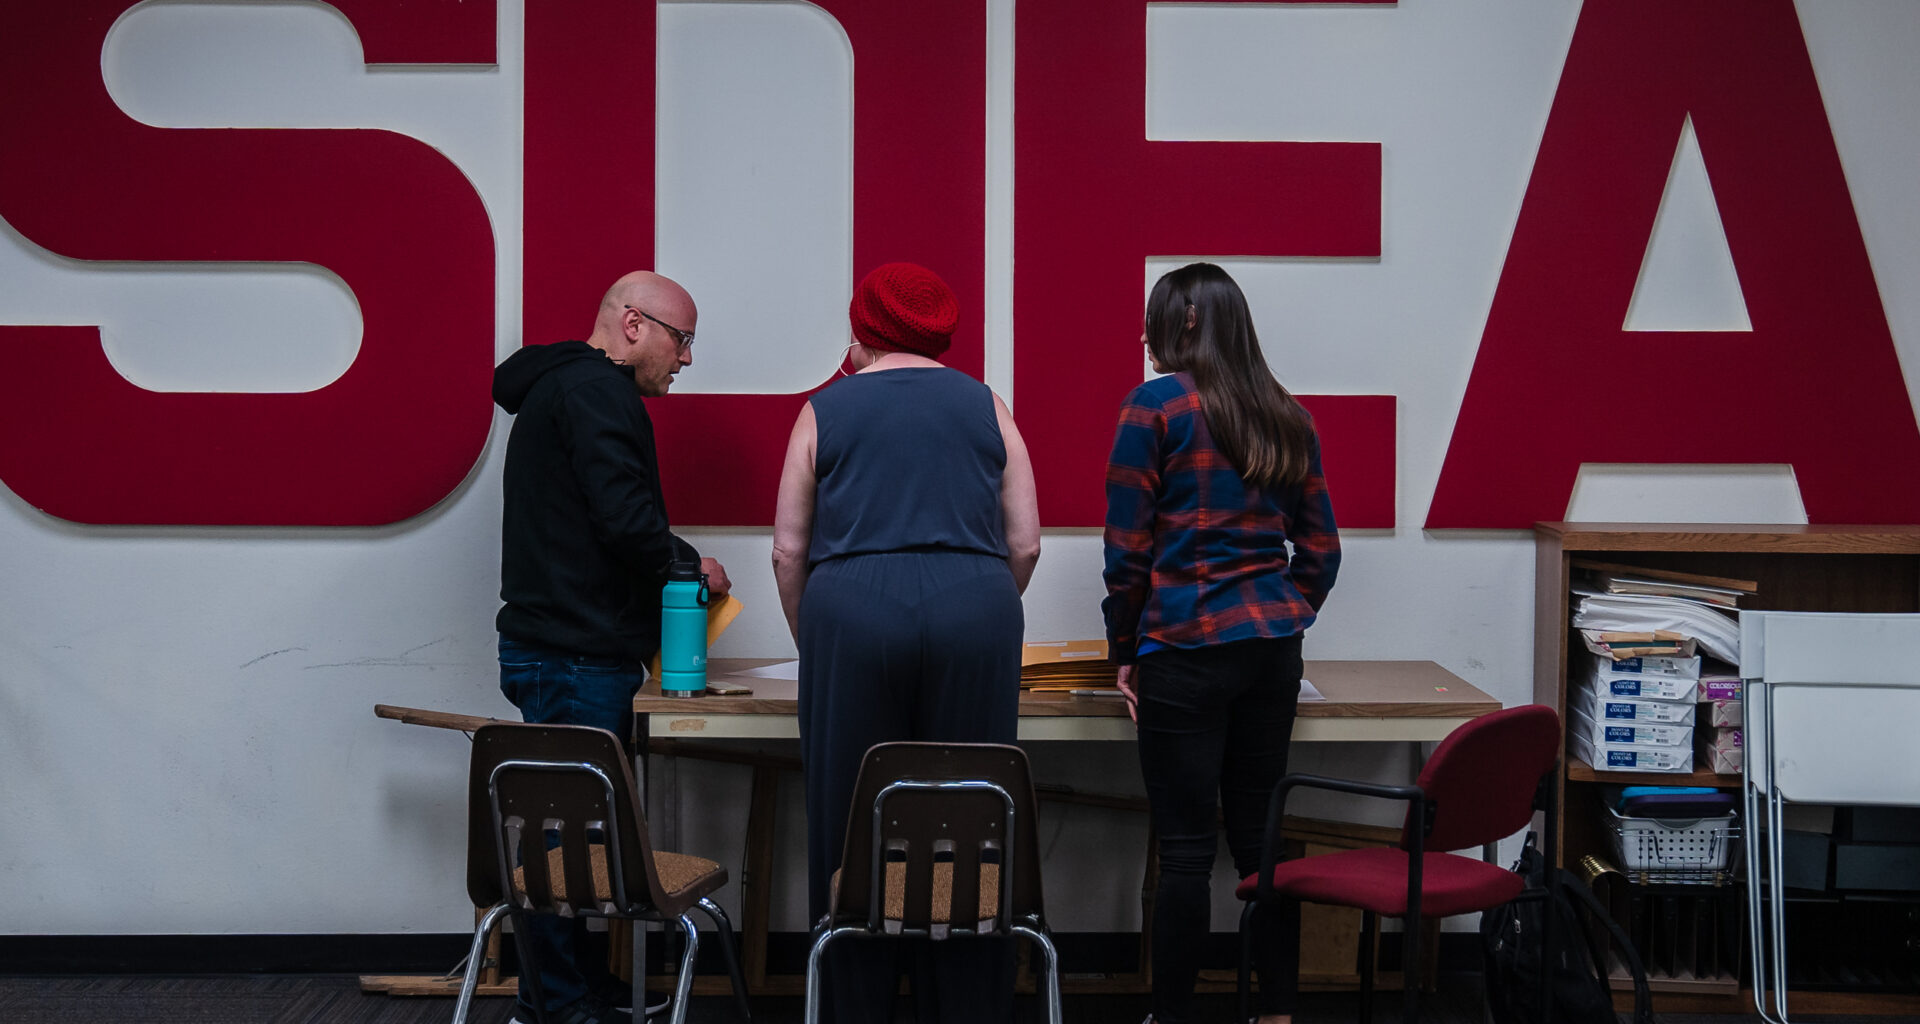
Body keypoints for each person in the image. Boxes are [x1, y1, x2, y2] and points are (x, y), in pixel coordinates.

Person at [771, 262, 1041, 1023]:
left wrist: (815, 636)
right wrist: (976, 611)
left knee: (852, 813)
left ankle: (855, 1001)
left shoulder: (825, 409)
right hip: (976, 606)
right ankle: (965, 1003)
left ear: (861, 333)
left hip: (851, 611)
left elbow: (789, 550)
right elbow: (1024, 543)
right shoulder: (988, 405)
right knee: (972, 810)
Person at [1102, 263, 1340, 1024]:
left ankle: (1172, 1016)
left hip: (1183, 650)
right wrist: (1283, 611)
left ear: (1187, 323)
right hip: (1271, 653)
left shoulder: (1154, 408)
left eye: (1155, 319)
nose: (1145, 334)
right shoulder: (1286, 414)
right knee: (1259, 842)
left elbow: (1127, 550)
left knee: (1185, 852)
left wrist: (1124, 649)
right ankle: (1275, 1011)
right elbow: (1323, 550)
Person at [493, 270, 732, 1024]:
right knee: (563, 847)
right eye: (681, 339)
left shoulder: (562, 388)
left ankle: (576, 992)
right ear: (634, 325)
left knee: (571, 842)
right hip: (573, 655)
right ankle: (560, 1007)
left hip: (557, 649)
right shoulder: (598, 393)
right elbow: (624, 518)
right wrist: (693, 565)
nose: (686, 359)